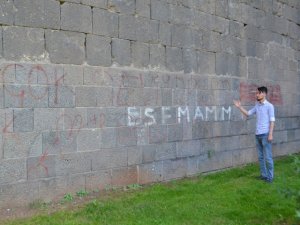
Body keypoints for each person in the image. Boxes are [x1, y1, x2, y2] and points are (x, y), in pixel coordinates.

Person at [233, 86, 275, 183]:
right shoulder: (257, 105)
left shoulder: (269, 106)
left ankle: (270, 177)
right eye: (256, 93)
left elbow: (272, 121)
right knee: (260, 157)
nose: (256, 95)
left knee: (268, 157)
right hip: (258, 135)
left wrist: (270, 134)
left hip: (266, 135)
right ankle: (264, 175)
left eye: (258, 93)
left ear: (264, 94)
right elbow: (248, 113)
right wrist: (239, 107)